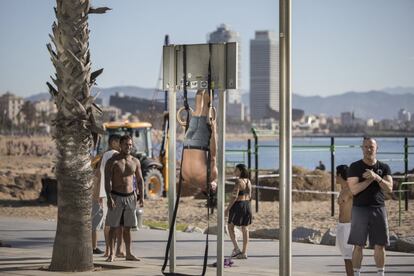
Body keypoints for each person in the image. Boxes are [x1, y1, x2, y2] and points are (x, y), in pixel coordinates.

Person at [347, 137, 393, 276]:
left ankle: (380, 273)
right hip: (359, 209)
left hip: (379, 208)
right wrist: (370, 179)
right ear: (362, 148)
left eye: (371, 147)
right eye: (366, 147)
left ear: (376, 149)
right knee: (358, 245)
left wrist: (377, 177)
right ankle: (356, 273)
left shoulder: (384, 167)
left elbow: (389, 188)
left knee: (380, 245)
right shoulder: (355, 167)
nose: (368, 149)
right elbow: (354, 190)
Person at [105, 134, 144, 262]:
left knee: (127, 228)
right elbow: (107, 181)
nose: (128, 147)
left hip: (130, 197)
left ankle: (128, 253)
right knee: (113, 227)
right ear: (120, 145)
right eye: (126, 144)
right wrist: (109, 197)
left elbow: (140, 180)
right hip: (116, 196)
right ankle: (111, 253)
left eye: (130, 145)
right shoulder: (113, 161)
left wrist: (142, 197)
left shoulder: (135, 161)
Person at [182, 89, 218, 193]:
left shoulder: (210, 177)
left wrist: (214, 129)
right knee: (198, 109)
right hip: (187, 142)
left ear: (212, 188)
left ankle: (208, 86)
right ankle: (200, 86)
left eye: (216, 186)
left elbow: (213, 155)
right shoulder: (187, 179)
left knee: (206, 109)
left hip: (199, 143)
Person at [91, 134, 120, 256]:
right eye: (119, 142)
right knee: (104, 223)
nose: (120, 145)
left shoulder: (103, 156)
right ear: (113, 142)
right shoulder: (111, 155)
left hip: (100, 193)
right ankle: (107, 249)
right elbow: (101, 175)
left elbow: (98, 174)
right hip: (103, 194)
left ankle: (104, 249)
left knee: (100, 222)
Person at [225, 163, 252, 260]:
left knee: (230, 226)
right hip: (247, 205)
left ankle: (236, 248)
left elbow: (234, 197)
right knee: (245, 228)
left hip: (238, 206)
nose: (234, 171)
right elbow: (250, 195)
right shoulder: (248, 181)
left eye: (236, 170)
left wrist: (227, 209)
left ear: (240, 171)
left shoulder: (238, 181)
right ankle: (244, 252)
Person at [335, 164, 354, 276]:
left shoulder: (351, 190)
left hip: (349, 227)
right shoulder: (342, 189)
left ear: (339, 175)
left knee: (350, 259)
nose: (335, 178)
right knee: (346, 258)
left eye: (336, 175)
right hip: (341, 226)